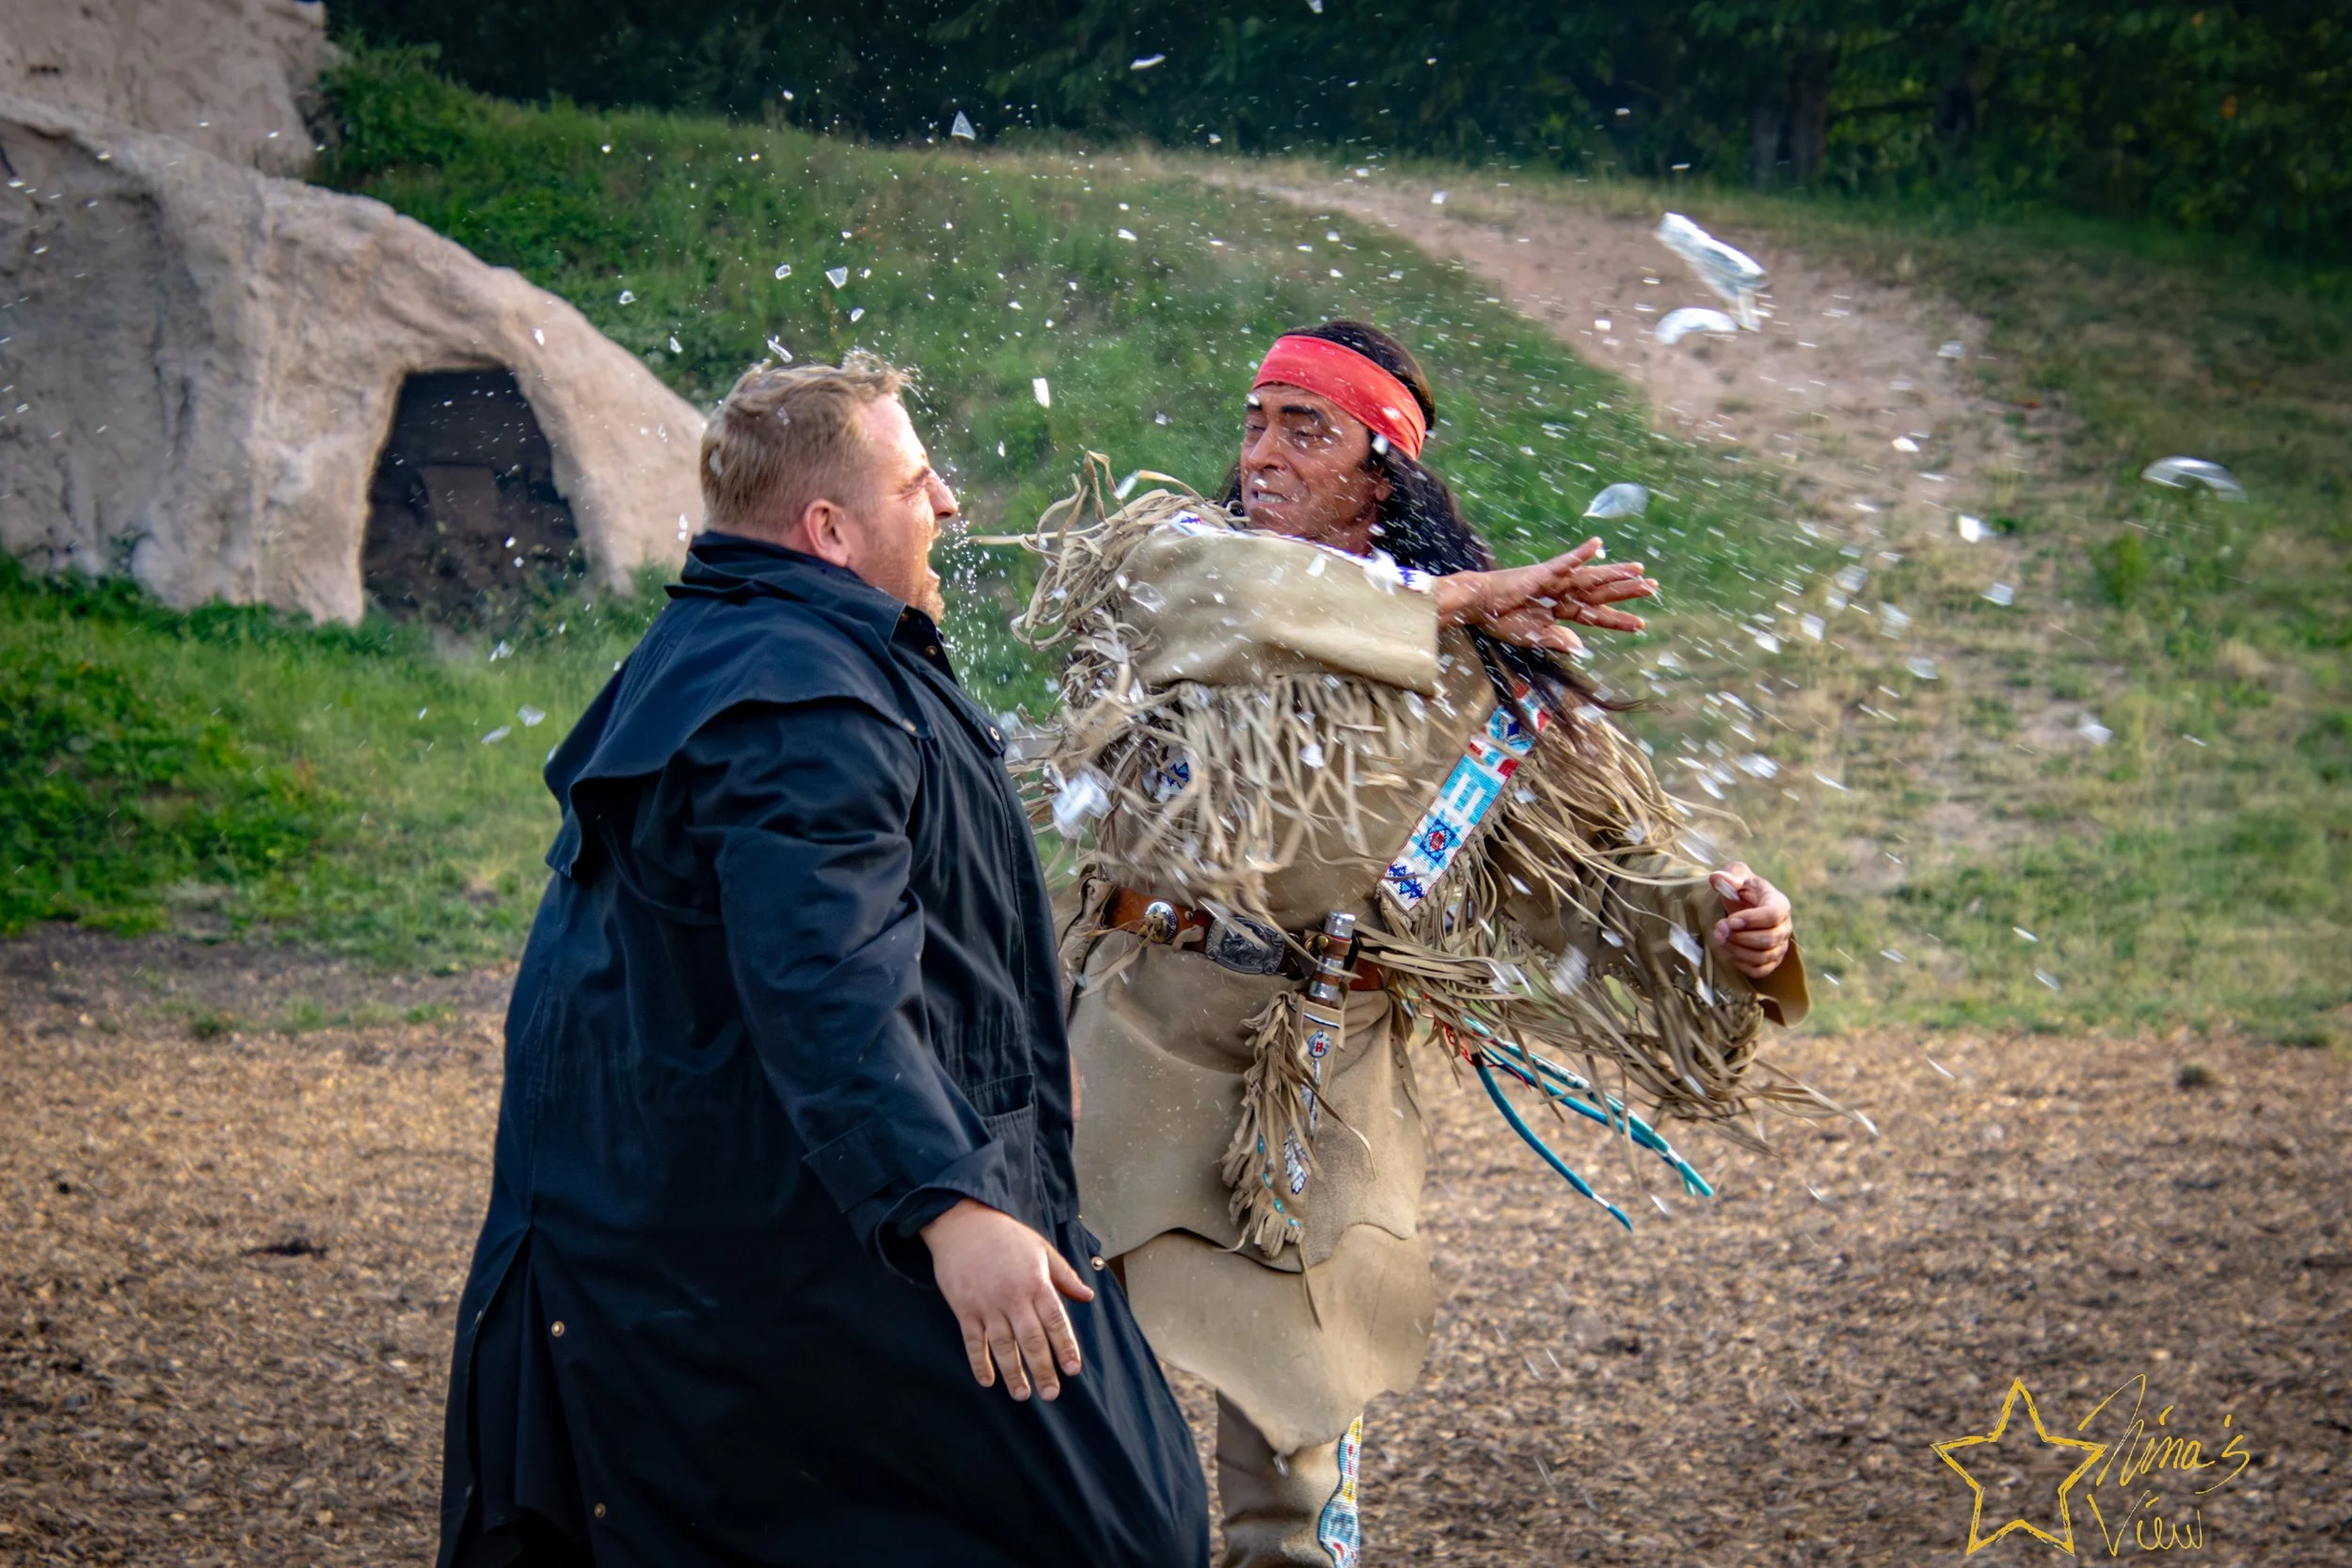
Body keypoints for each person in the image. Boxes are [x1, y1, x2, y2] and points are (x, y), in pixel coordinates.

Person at [1017, 322, 1828, 1567]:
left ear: (1380, 474)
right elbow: (1205, 600)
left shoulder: (1482, 685)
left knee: (1291, 1465)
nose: (1264, 453)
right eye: (1256, 419)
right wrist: (1443, 600)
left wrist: (1730, 925)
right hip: (1132, 1029)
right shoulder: (1184, 566)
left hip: (1317, 1075)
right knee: (1046, 1404)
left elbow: (1584, 876)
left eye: (1307, 427)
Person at [437, 356, 1208, 1568]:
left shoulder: (752, 648)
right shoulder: (799, 699)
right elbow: (819, 981)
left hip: (757, 1215)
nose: (950, 501)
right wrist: (948, 1207)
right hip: (769, 1235)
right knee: (1114, 1532)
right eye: (915, 481)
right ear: (829, 529)